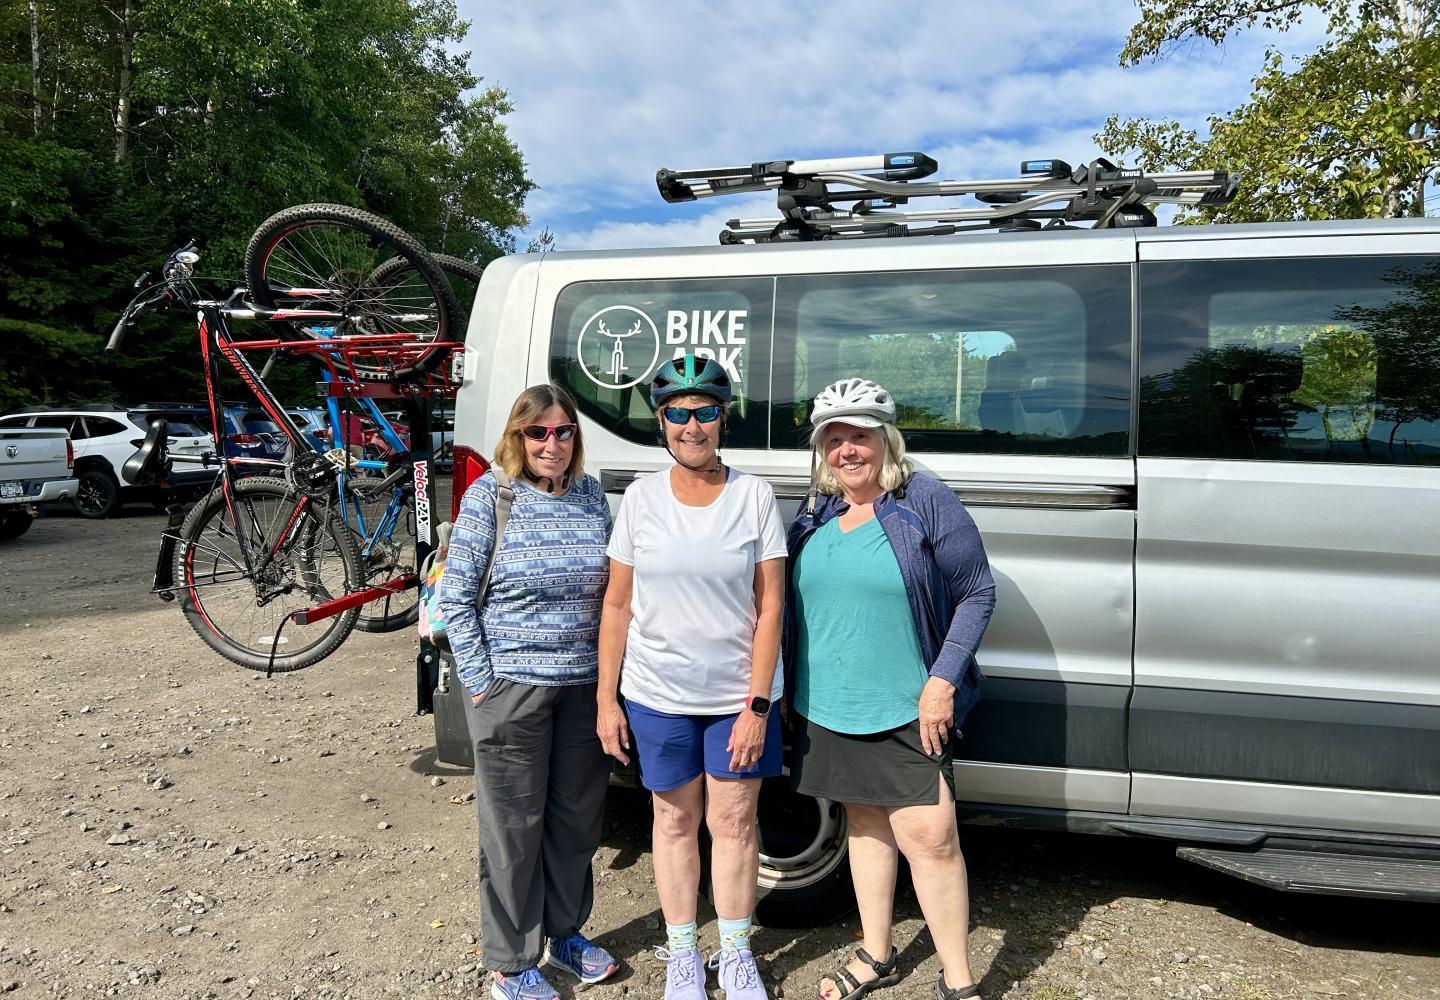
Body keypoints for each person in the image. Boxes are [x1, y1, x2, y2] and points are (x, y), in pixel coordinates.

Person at [785, 378, 997, 1000]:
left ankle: (959, 982)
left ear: (886, 440)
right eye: (835, 439)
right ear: (822, 450)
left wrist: (942, 681)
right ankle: (876, 954)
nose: (848, 450)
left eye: (861, 437)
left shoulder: (924, 499)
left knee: (930, 837)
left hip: (908, 701)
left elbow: (977, 591)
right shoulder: (817, 510)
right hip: (828, 701)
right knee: (866, 824)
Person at [596, 354, 787, 1000]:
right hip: (657, 695)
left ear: (722, 418)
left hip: (738, 699)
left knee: (734, 824)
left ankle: (734, 953)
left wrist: (758, 705)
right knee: (673, 823)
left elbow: (771, 609)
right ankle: (684, 955)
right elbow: (617, 606)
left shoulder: (753, 496)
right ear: (661, 422)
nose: (692, 425)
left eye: (705, 411)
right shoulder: (641, 501)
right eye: (678, 413)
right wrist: (606, 698)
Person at [437, 383, 618, 1000]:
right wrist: (483, 682)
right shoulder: (493, 497)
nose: (551, 443)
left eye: (562, 431)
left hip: (582, 688)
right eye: (537, 432)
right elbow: (454, 599)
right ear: (517, 436)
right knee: (513, 828)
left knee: (575, 822)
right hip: (510, 689)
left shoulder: (593, 498)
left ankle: (566, 934)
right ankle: (512, 963)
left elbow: (614, 593)